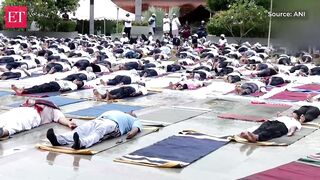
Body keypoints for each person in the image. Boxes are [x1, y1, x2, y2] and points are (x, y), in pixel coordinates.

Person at [46, 110, 141, 149]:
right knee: (80, 130)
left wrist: (131, 134)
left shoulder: (134, 119)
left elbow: (136, 128)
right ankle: (57, 139)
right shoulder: (118, 112)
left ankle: (81, 143)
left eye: (132, 112)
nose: (131, 111)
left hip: (114, 125)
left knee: (98, 133)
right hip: (99, 120)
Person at [0, 99, 76, 138]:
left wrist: (68, 123)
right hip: (20, 110)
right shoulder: (33, 103)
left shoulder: (54, 109)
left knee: (18, 123)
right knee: (4, 117)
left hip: (35, 115)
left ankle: (3, 132)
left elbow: (61, 118)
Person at [11, 79, 85, 95]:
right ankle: (24, 89)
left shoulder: (74, 86)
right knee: (39, 86)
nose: (76, 81)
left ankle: (24, 91)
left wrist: (64, 89)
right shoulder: (70, 82)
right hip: (55, 83)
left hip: (57, 86)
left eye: (79, 82)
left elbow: (69, 88)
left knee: (40, 89)